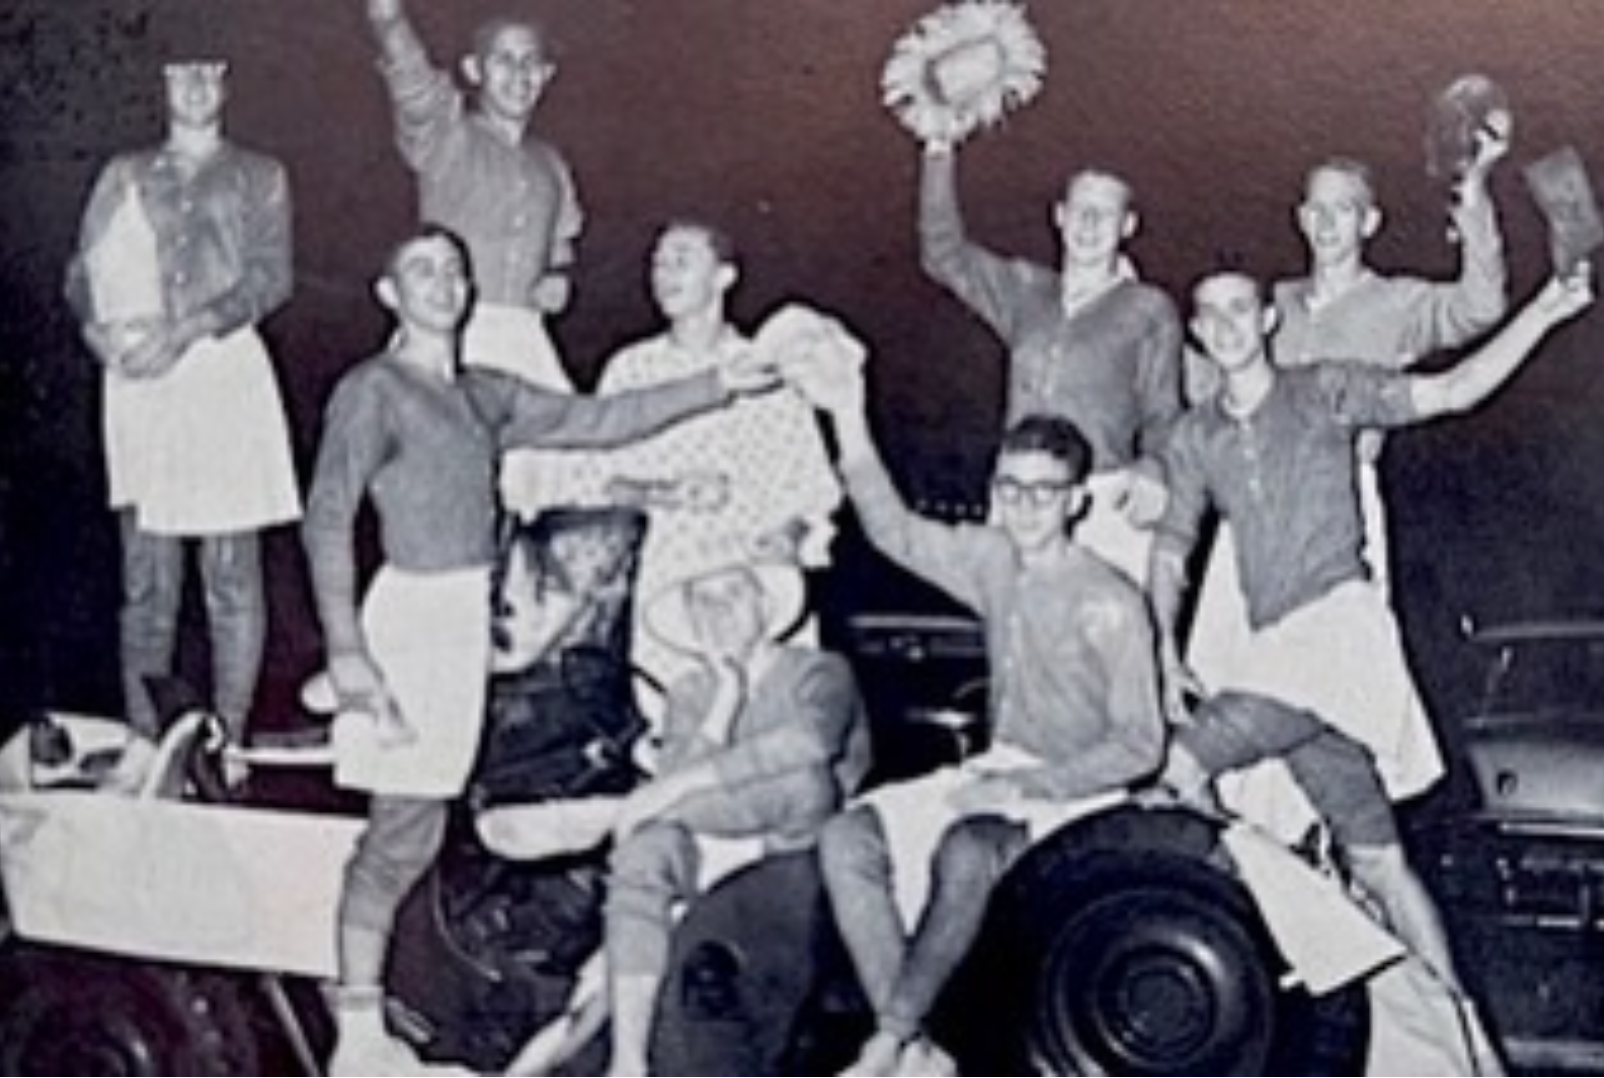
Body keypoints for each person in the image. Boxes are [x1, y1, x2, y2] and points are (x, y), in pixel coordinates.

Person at [301, 226, 778, 1076]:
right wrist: (347, 652)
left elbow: (599, 422)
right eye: (420, 270)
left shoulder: (483, 392)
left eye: (453, 268)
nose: (442, 283)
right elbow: (328, 516)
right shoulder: (373, 390)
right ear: (388, 293)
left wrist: (715, 386)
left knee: (443, 825)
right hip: (410, 619)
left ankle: (420, 1015)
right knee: (398, 834)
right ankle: (355, 1032)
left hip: (469, 626)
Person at [786, 310, 1167, 1076]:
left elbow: (1140, 746)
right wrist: (848, 415)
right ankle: (920, 1048)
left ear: (1077, 501)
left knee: (967, 847)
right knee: (846, 837)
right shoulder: (992, 559)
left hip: (1081, 795)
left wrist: (1022, 784)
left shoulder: (1113, 600)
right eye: (1011, 488)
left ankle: (888, 1042)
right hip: (1000, 772)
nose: (1025, 506)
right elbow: (892, 529)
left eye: (1043, 492)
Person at [1149, 265, 1592, 852]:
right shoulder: (1195, 436)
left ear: (1268, 319)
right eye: (1211, 313)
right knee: (1370, 858)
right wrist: (1163, 649)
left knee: (1184, 770)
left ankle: (1250, 905)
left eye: (1240, 308)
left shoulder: (1325, 388)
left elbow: (1451, 391)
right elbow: (1170, 550)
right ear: (1197, 332)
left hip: (1336, 632)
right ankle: (1363, 938)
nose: (1227, 325)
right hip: (1272, 645)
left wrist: (1544, 312)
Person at [485, 553, 872, 1076]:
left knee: (805, 783)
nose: (717, 611)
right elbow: (662, 802)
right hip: (704, 846)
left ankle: (606, 814)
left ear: (764, 601)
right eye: (701, 601)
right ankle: (628, 1063)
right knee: (645, 850)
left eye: (731, 593)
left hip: (791, 846)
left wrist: (641, 803)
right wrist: (723, 703)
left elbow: (809, 745)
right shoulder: (691, 690)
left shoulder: (820, 670)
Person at [1186, 124, 1511, 694]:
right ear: (1301, 218)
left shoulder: (1397, 302)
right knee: (1225, 676)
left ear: (1369, 223)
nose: (1328, 223)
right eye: (1316, 209)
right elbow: (1206, 386)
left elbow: (1481, 305)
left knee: (1336, 686)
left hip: (1340, 512)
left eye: (1345, 210)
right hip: (1250, 498)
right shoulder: (1268, 303)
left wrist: (1475, 191)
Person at [62, 55, 299, 764]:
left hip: (220, 371)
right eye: (179, 74)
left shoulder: (261, 174)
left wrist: (188, 330)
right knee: (148, 575)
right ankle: (144, 741)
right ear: (160, 85)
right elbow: (82, 272)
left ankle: (230, 738)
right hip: (140, 380)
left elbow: (271, 276)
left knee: (229, 572)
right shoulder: (124, 173)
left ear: (227, 84)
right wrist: (94, 330)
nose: (195, 88)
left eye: (210, 74)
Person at [577, 221, 844, 694]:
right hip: (667, 589)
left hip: (753, 587)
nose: (664, 273)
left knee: (768, 733)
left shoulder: (764, 370)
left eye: (682, 259)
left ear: (724, 276)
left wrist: (787, 536)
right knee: (677, 735)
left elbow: (813, 491)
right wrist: (664, 493)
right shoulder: (631, 369)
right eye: (658, 262)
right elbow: (595, 482)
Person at [917, 134, 1181, 581]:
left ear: (1128, 225)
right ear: (1059, 216)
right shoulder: (1026, 290)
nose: (1090, 223)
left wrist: (1155, 470)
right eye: (1080, 209)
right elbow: (943, 254)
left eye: (1106, 213)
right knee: (1017, 641)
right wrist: (939, 152)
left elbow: (1164, 413)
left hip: (1103, 502)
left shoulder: (1148, 308)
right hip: (1019, 496)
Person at [365, 0, 584, 518]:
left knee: (548, 494)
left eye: (530, 62)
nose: (519, 75)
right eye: (503, 60)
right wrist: (389, 20)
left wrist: (557, 274)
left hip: (525, 342)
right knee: (452, 499)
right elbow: (416, 89)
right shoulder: (449, 139)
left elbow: (561, 243)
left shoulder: (550, 163)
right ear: (474, 70)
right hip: (454, 340)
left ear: (547, 74)